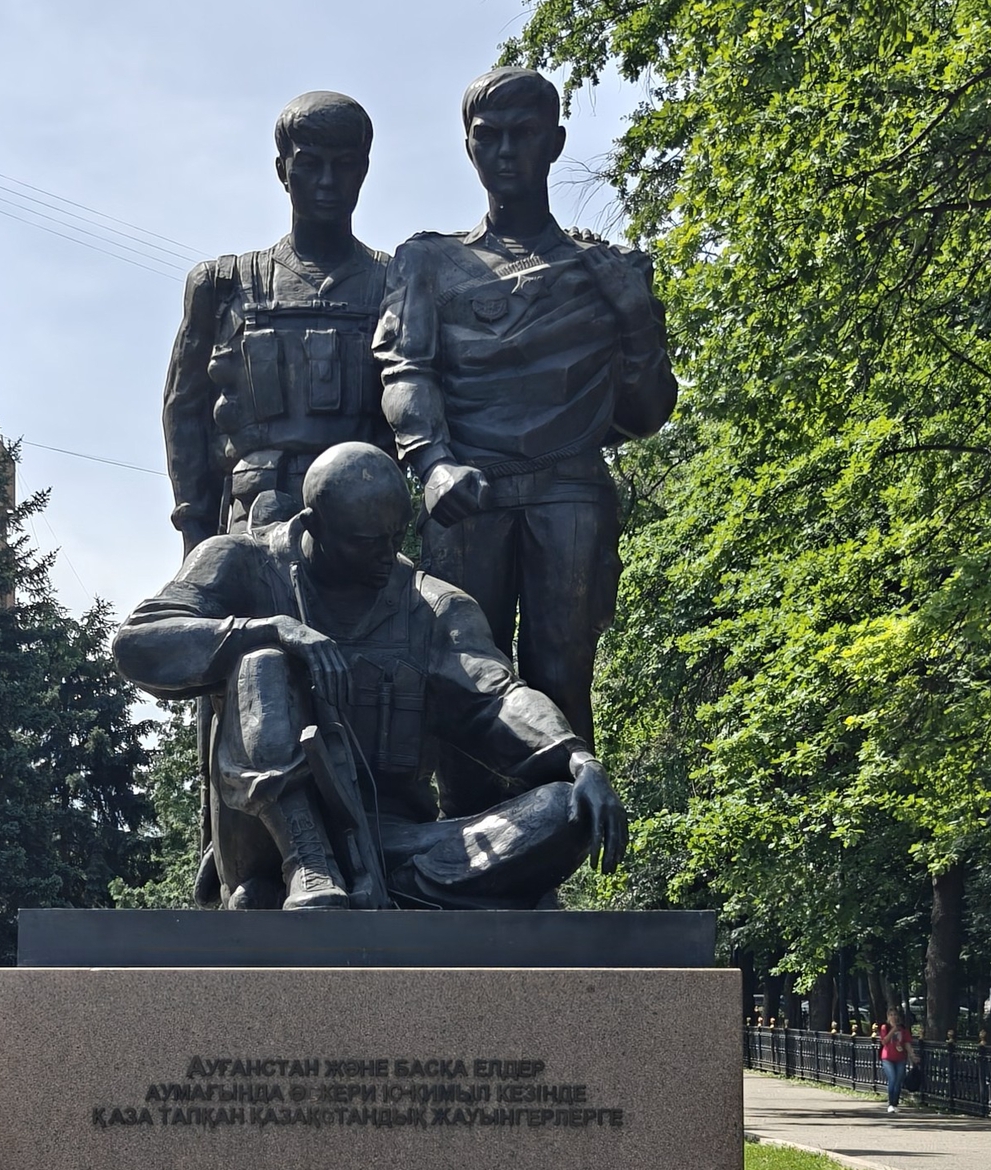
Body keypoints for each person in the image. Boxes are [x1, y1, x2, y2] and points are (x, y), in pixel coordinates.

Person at [112, 441, 629, 911]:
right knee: (261, 661)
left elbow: (495, 697)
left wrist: (576, 757)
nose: (387, 555)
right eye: (367, 542)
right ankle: (307, 863)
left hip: (387, 837)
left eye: (395, 536)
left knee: (566, 810)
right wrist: (269, 629)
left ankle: (383, 886)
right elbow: (138, 643)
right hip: (263, 842)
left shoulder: (434, 606)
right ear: (313, 525)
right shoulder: (239, 562)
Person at [377, 68, 676, 801]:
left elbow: (647, 412)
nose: (506, 151)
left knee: (564, 669)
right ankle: (477, 849)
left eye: (524, 134)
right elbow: (403, 369)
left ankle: (550, 847)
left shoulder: (601, 269)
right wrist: (433, 462)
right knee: (464, 669)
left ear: (556, 143)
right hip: (467, 493)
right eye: (489, 137)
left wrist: (636, 314)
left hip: (569, 490)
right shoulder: (428, 262)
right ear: (469, 148)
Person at [161, 92, 394, 549]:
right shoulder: (222, 284)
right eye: (310, 163)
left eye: (344, 164)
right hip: (252, 521)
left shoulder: (396, 285)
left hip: (366, 528)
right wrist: (194, 528)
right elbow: (184, 411)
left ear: (363, 171)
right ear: (282, 170)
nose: (327, 181)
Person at [876, 1011, 912, 1111]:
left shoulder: (903, 1029)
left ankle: (895, 1103)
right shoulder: (885, 1027)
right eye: (891, 1015)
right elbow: (884, 1041)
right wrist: (893, 1030)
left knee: (898, 1081)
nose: (893, 1017)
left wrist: (912, 1055)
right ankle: (891, 1103)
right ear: (888, 1017)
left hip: (900, 1057)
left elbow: (907, 1043)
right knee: (892, 1078)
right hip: (887, 1057)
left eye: (895, 1014)